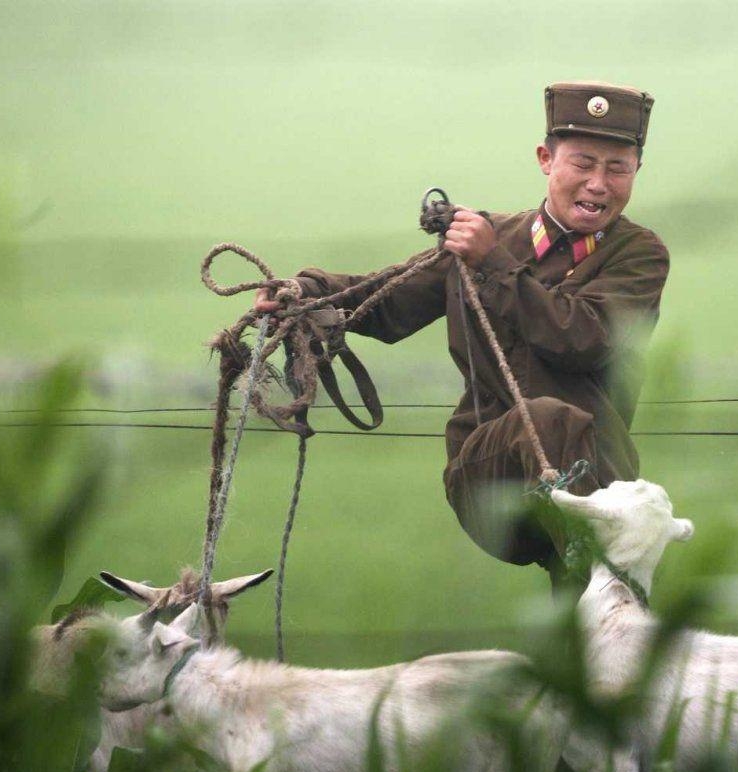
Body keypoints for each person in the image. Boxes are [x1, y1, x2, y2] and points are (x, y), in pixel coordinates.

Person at [255, 82, 668, 592]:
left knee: (595, 621)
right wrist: (306, 291)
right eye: (583, 163)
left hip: (597, 481)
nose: (598, 183)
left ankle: (594, 609)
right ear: (546, 159)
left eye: (617, 168)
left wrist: (494, 262)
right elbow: (387, 302)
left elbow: (585, 338)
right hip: (489, 478)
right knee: (546, 420)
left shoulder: (641, 256)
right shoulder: (488, 238)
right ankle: (597, 587)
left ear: (636, 172)